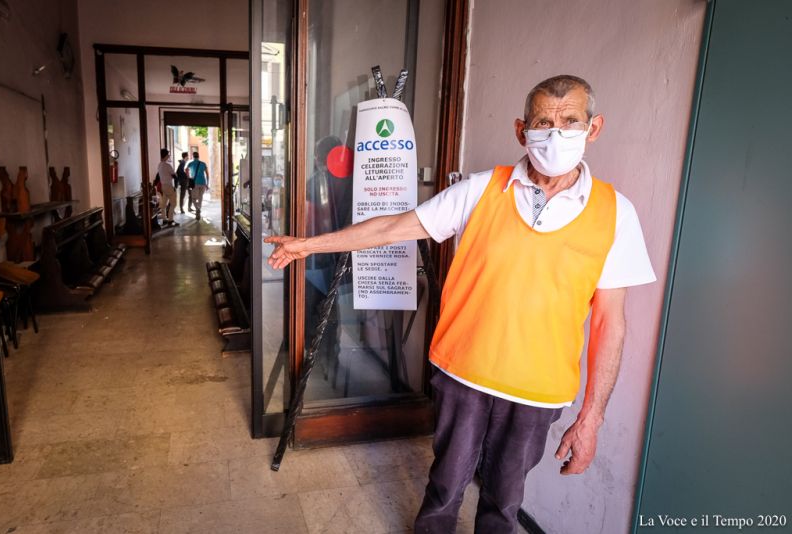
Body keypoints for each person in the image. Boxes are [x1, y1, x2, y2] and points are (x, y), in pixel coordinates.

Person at [265, 75, 656, 533]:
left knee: (504, 501)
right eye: (543, 121)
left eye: (570, 121)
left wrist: (591, 418)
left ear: (593, 128)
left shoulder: (615, 213)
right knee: (445, 488)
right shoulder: (483, 189)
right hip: (463, 373)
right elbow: (393, 227)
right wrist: (311, 244)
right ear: (521, 130)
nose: (555, 133)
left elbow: (612, 323)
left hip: (539, 391)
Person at [155, 148, 177, 227]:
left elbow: (158, 176)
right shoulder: (168, 165)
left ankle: (164, 219)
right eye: (168, 154)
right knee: (173, 203)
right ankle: (170, 220)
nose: (169, 156)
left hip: (163, 186)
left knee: (164, 204)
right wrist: (176, 185)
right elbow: (174, 176)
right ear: (165, 155)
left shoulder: (159, 165)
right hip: (169, 186)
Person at [187, 151, 209, 220]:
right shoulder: (203, 164)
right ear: (198, 156)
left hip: (195, 183)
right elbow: (207, 174)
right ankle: (198, 209)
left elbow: (185, 169)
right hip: (203, 182)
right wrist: (207, 184)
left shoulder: (190, 163)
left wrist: (189, 177)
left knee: (193, 198)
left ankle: (197, 209)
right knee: (200, 198)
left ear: (193, 156)